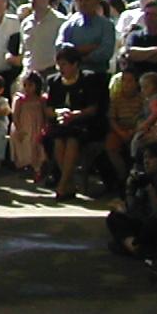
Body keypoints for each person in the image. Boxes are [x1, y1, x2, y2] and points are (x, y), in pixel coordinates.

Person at [43, 45, 108, 199]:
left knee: (73, 140)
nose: (61, 68)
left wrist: (74, 115)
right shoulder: (54, 81)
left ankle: (62, 184)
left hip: (84, 123)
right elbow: (48, 109)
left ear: (75, 64)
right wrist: (59, 113)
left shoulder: (89, 79)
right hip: (61, 123)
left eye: (64, 64)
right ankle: (69, 183)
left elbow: (92, 109)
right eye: (59, 65)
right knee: (58, 141)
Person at [57, 0, 116, 71]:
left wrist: (81, 58)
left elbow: (106, 52)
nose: (83, 3)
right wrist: (84, 49)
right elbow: (59, 47)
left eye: (87, 0)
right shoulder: (69, 24)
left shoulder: (106, 26)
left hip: (96, 74)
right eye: (80, 0)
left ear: (97, 2)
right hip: (72, 74)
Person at [14, 0, 66, 77]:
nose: (33, 0)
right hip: (29, 73)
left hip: (51, 73)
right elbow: (24, 51)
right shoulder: (26, 23)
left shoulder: (60, 21)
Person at [9, 71, 49, 179]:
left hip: (37, 127)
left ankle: (38, 168)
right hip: (23, 128)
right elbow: (15, 116)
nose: (27, 88)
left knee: (37, 146)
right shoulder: (20, 99)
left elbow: (45, 114)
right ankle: (26, 167)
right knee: (25, 146)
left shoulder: (41, 99)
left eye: (30, 85)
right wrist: (18, 129)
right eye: (25, 85)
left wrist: (45, 127)